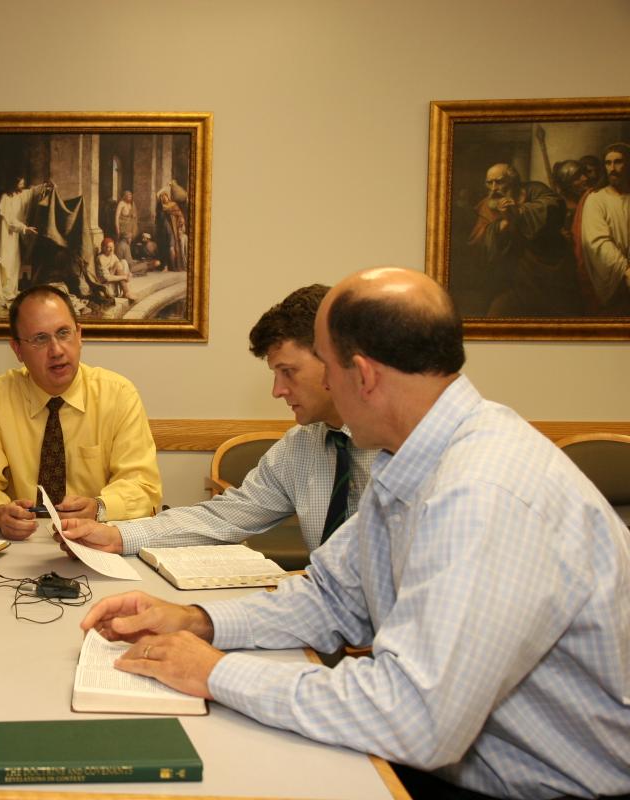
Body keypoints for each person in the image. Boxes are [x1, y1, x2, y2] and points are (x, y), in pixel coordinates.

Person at [79, 268, 630, 800]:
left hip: (542, 788)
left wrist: (218, 674)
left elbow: (415, 718)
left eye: (324, 365)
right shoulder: (416, 459)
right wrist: (198, 621)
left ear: (360, 376)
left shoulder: (480, 493)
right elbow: (332, 595)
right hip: (462, 763)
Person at [61, 284, 376, 558]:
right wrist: (118, 536)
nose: (277, 390)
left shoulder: (399, 445)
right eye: (275, 374)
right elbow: (224, 515)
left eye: (288, 372)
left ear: (333, 358)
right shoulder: (301, 446)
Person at [0, 284, 162, 540]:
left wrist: (99, 507)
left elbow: (144, 488)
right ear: (17, 350)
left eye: (63, 333)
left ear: (79, 335)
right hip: (19, 545)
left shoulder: (118, 395)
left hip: (96, 544)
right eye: (40, 339)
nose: (57, 351)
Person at [467, 162, 579, 316]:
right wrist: (504, 223)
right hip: (509, 280)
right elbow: (477, 242)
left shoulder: (535, 190)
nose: (493, 188)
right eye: (489, 182)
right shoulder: (486, 206)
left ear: (513, 181)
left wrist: (519, 212)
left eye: (499, 182)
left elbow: (554, 206)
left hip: (544, 277)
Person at [577, 142, 630, 314]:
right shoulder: (596, 199)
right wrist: (625, 270)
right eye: (608, 163)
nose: (612, 168)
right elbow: (598, 242)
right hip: (616, 279)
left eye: (618, 162)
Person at [0, 177, 51, 305]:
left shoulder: (19, 194)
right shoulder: (5, 197)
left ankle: (9, 291)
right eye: (20, 182)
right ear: (13, 183)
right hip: (4, 235)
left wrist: (46, 186)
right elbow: (9, 220)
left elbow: (31, 192)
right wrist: (24, 228)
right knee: (4, 260)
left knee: (13, 262)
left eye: (23, 182)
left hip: (13, 235)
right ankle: (0, 292)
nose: (22, 184)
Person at [94, 237, 136, 301]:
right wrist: (124, 277)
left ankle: (126, 291)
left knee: (123, 262)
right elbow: (106, 278)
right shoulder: (100, 258)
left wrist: (128, 274)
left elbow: (120, 269)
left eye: (112, 247)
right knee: (118, 264)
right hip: (106, 285)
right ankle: (126, 292)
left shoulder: (113, 256)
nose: (111, 250)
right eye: (108, 247)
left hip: (114, 281)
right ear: (103, 248)